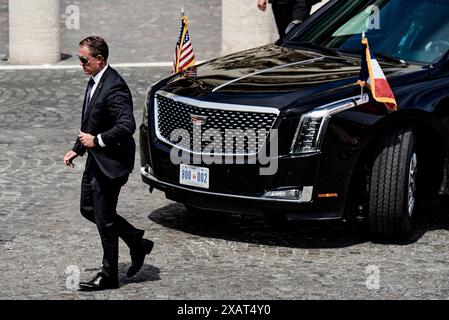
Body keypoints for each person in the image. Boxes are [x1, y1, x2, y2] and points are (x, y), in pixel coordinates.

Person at [63, 36, 154, 291]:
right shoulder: (95, 81)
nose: (81, 64)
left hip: (111, 163)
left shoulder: (114, 86)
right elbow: (92, 119)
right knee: (88, 208)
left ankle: (109, 275)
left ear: (100, 59)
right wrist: (77, 148)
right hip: (95, 159)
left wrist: (97, 140)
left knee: (104, 218)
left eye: (84, 60)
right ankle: (136, 241)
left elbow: (127, 125)